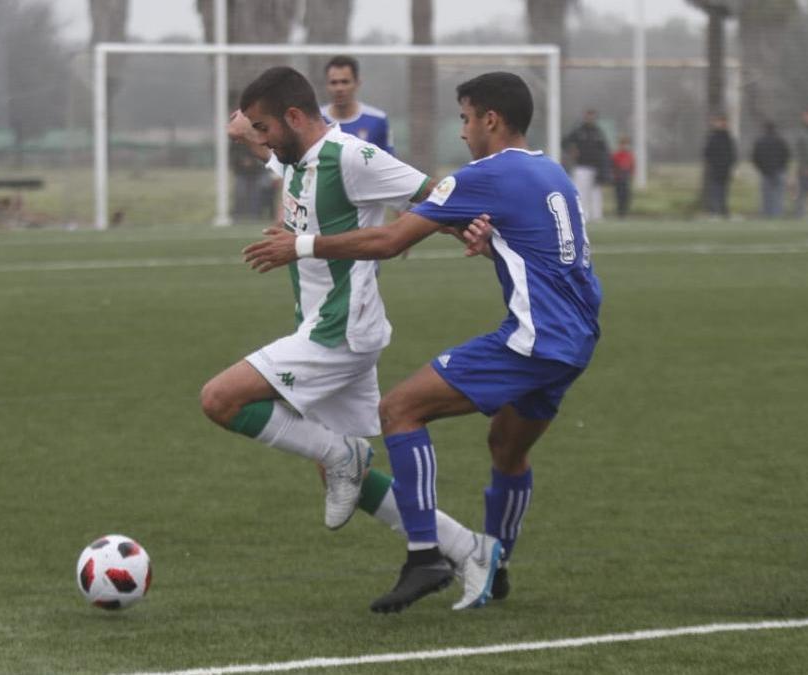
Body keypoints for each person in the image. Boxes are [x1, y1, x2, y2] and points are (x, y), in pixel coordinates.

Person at [244, 71, 602, 614]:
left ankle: (426, 555)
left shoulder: (484, 174)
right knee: (508, 447)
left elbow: (389, 241)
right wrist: (491, 242)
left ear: (491, 120)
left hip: (534, 339)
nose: (461, 132)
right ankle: (495, 564)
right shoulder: (549, 171)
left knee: (400, 409)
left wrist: (303, 245)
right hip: (576, 338)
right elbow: (539, 245)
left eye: (464, 118)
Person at [211, 66, 503, 611]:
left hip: (339, 334)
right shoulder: (294, 157)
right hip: (323, 325)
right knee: (338, 470)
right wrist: (243, 128)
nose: (263, 140)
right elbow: (260, 143)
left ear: (295, 118)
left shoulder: (352, 157)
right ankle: (471, 548)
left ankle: (343, 453)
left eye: (266, 127)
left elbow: (433, 194)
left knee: (221, 400)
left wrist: (476, 230)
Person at [320, 55, 393, 154]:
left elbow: (389, 162)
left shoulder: (377, 120)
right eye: (334, 82)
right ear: (327, 85)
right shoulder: (315, 120)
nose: (339, 88)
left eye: (345, 82)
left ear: (357, 83)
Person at [562, 109, 610, 221]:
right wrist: (571, 150)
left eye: (592, 116)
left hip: (596, 167)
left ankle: (596, 215)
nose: (590, 118)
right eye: (588, 116)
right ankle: (583, 215)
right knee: (581, 191)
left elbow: (604, 149)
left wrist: (604, 166)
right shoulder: (578, 131)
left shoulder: (598, 132)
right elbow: (564, 142)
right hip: (581, 166)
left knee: (596, 192)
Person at [751, 121, 790, 218]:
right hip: (778, 171)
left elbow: (755, 157)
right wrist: (782, 167)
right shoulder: (780, 141)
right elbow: (786, 155)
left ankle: (766, 215)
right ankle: (777, 215)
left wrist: (761, 168)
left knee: (766, 196)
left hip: (765, 172)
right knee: (778, 196)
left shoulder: (760, 141)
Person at [702, 113, 737, 218]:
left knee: (724, 191)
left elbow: (732, 153)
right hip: (715, 169)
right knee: (715, 190)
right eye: (719, 122)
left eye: (723, 122)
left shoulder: (728, 137)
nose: (721, 124)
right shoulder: (712, 137)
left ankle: (723, 210)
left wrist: (730, 164)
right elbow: (707, 152)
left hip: (725, 169)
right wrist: (713, 163)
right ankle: (714, 211)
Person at [610, 135, 634, 218]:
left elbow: (632, 166)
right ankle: (619, 212)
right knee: (619, 196)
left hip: (626, 178)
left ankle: (624, 212)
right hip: (618, 178)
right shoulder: (616, 155)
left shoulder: (629, 155)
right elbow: (613, 166)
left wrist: (631, 175)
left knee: (626, 196)